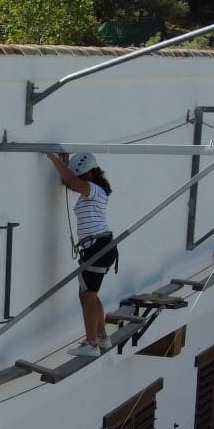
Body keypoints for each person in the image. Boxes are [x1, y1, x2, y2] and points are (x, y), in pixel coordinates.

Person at [44, 150, 119, 358]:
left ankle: (92, 343)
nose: (79, 182)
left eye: (81, 176)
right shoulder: (96, 190)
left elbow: (71, 181)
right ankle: (102, 336)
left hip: (97, 247)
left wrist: (53, 159)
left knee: (87, 297)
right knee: (90, 295)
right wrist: (65, 168)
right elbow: (70, 182)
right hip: (101, 246)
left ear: (89, 174)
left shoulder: (93, 189)